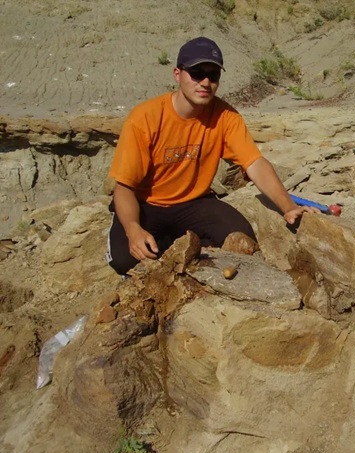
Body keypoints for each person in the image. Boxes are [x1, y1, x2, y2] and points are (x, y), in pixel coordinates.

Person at [105, 36, 318, 275]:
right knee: (124, 260)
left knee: (240, 239)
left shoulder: (226, 117)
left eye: (213, 75)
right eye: (196, 73)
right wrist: (133, 229)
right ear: (177, 74)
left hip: (194, 202)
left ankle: (183, 250)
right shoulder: (145, 117)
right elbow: (124, 187)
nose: (205, 82)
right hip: (147, 204)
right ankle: (171, 246)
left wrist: (288, 207)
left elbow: (255, 163)